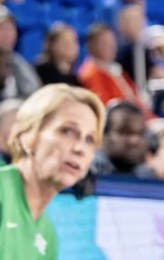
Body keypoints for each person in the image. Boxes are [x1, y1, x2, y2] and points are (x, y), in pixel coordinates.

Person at [1, 84, 105, 260]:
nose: (80, 148)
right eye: (67, 131)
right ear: (27, 136)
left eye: (89, 139)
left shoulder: (48, 236)